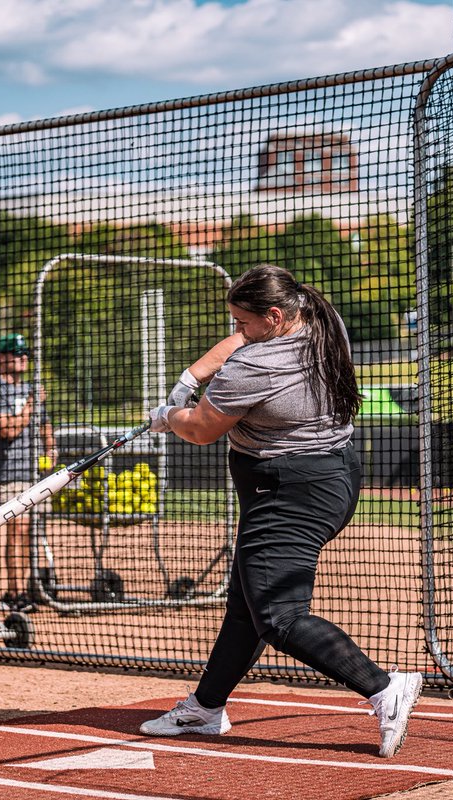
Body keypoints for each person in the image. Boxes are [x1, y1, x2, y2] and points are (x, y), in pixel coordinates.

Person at [140, 264, 423, 758]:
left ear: (273, 316)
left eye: (244, 322)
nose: (237, 332)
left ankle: (383, 687)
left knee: (278, 616)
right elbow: (239, 344)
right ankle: (206, 707)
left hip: (288, 491)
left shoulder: (256, 367)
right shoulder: (320, 319)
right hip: (332, 474)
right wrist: (191, 377)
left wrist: (168, 416)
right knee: (247, 604)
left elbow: (202, 429)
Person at [0, 333, 56, 611]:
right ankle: (14, 594)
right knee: (18, 530)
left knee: (35, 532)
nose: (23, 357)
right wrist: (31, 403)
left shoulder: (31, 390)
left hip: (36, 474)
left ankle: (34, 586)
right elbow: (7, 430)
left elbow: (44, 423)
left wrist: (51, 448)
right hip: (10, 473)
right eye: (16, 353)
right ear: (1, 357)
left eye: (25, 353)